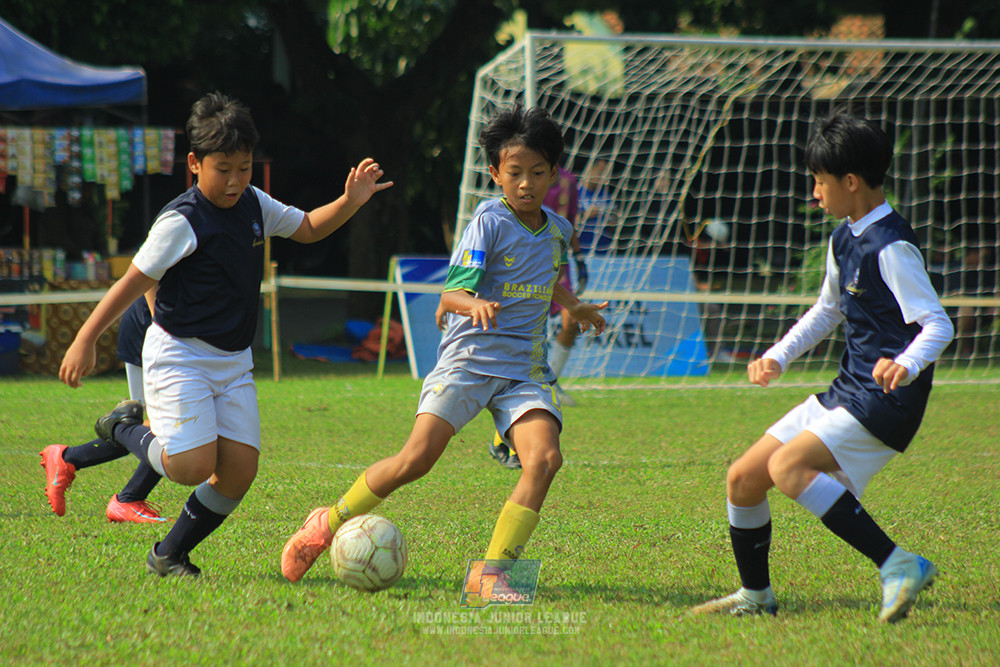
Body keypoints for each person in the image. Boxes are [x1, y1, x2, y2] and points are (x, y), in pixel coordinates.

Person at [58, 91, 392, 577]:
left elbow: (307, 228)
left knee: (238, 472)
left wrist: (349, 201)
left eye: (244, 168)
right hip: (180, 355)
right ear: (195, 163)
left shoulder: (253, 203)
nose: (235, 180)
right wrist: (84, 339)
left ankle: (169, 554)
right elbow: (131, 282)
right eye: (223, 169)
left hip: (233, 361)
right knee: (191, 466)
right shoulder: (182, 220)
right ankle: (122, 428)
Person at [281, 104, 608, 584]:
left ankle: (490, 575)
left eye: (537, 172)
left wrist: (574, 306)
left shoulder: (559, 231)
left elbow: (546, 278)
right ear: (495, 174)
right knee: (415, 461)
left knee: (545, 460)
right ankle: (325, 524)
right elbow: (450, 294)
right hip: (469, 361)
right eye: (514, 173)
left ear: (553, 173)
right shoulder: (488, 222)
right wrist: (471, 304)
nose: (526, 184)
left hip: (524, 371)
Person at [691, 113, 954, 623]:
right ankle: (756, 596)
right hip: (848, 389)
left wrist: (906, 363)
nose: (814, 192)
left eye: (819, 181)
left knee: (787, 467)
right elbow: (827, 310)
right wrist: (778, 355)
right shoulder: (843, 237)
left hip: (887, 398)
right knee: (743, 477)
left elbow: (938, 324)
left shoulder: (891, 246)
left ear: (850, 182)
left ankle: (898, 564)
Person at [487, 164, 587, 469]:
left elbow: (568, 222)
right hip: (519, 267)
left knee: (568, 323)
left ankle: (549, 383)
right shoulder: (495, 213)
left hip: (553, 260)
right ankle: (505, 438)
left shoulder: (567, 181)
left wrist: (579, 256)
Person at [40, 294, 167, 523]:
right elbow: (142, 280)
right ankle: (128, 497)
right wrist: (86, 339)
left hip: (186, 335)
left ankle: (70, 458)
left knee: (178, 427)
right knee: (171, 427)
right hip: (159, 332)